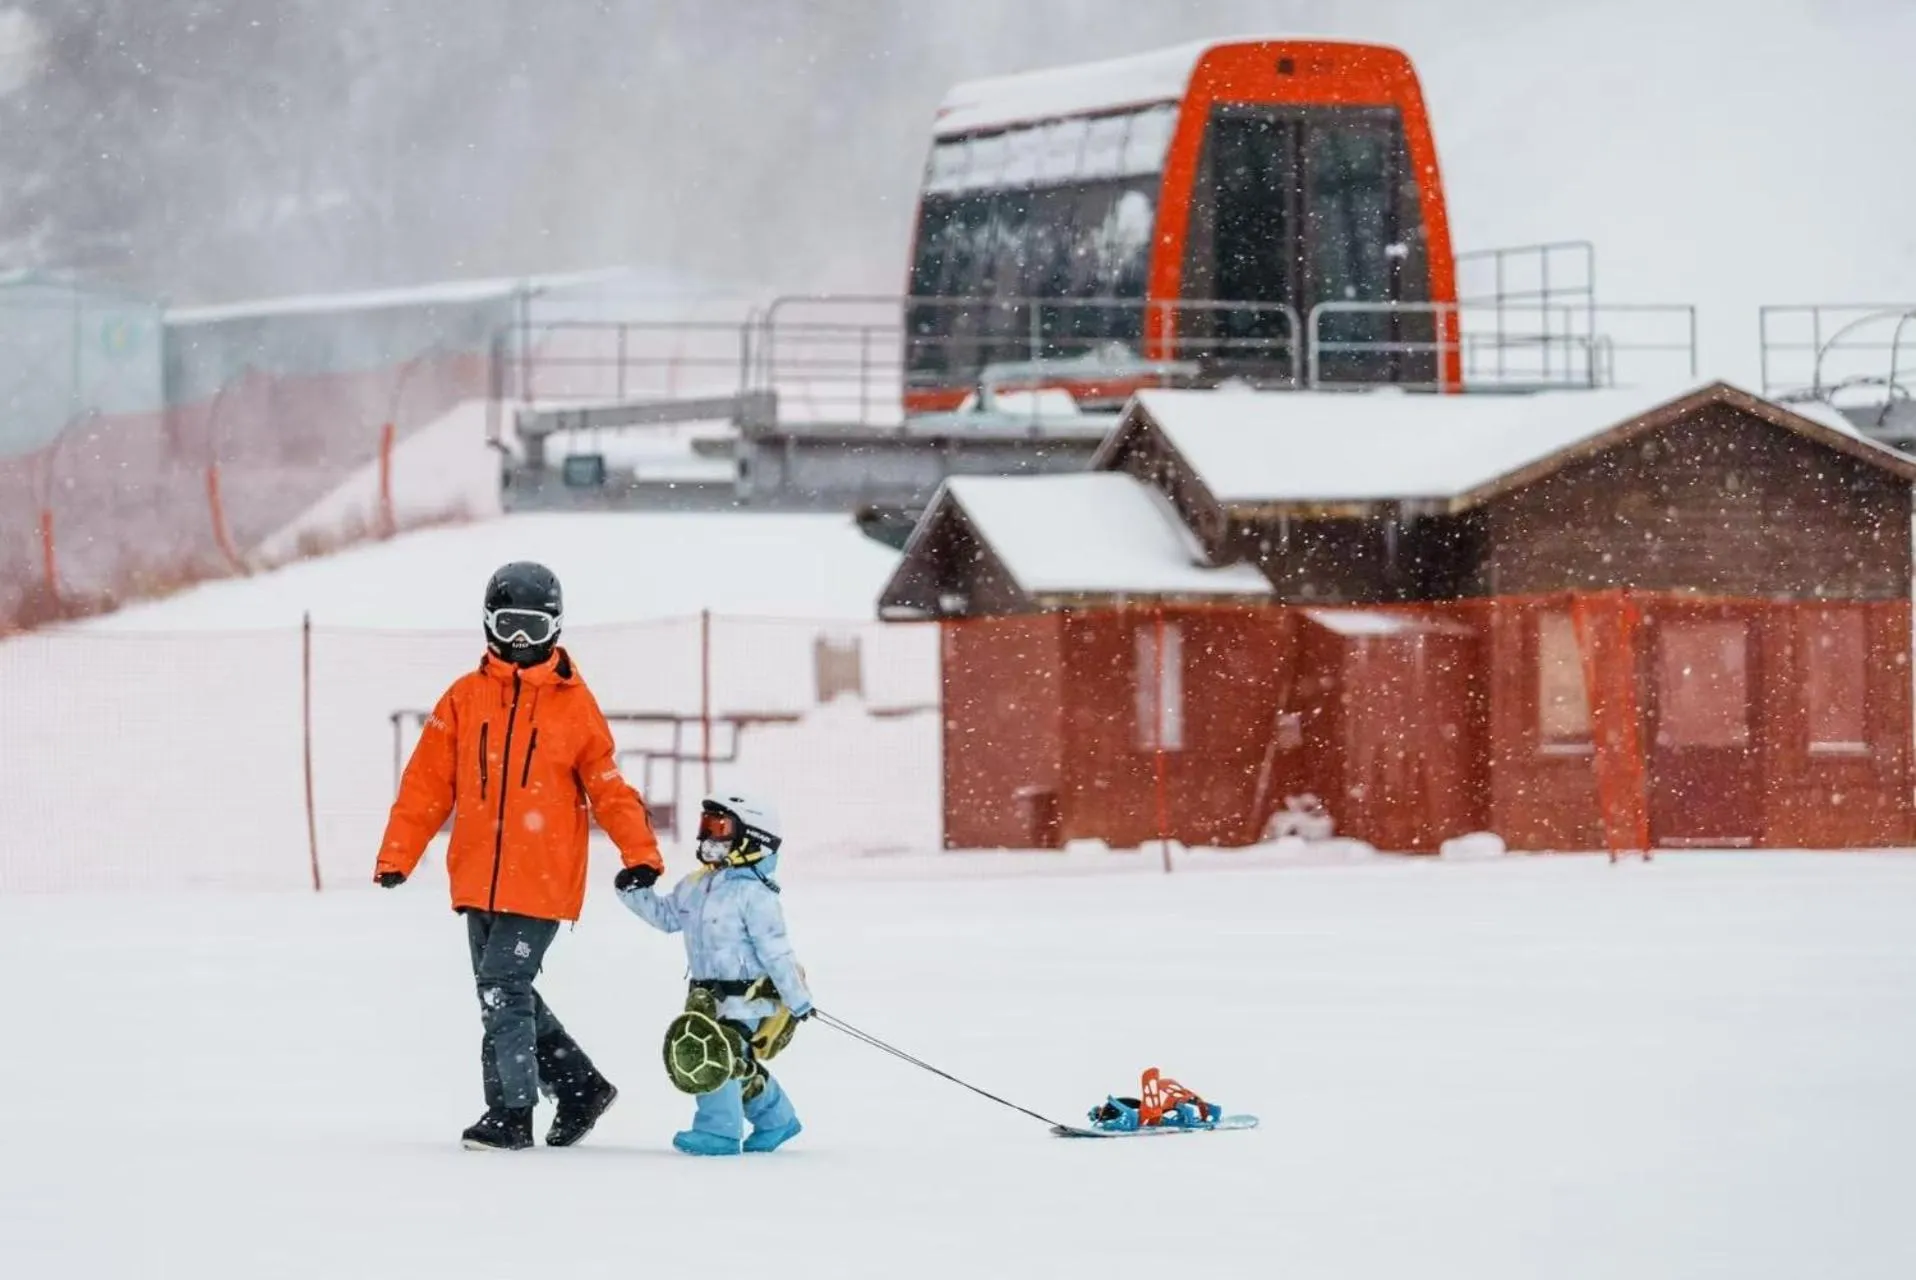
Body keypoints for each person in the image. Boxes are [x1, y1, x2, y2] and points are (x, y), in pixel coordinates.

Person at [374, 561, 664, 1151]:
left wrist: (640, 853)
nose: (521, 641)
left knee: (502, 985)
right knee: (508, 991)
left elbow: (608, 785)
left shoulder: (574, 706)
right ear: (488, 624)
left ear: (556, 627)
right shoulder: (463, 698)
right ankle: (579, 1086)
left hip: (543, 878)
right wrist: (399, 854)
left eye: (533, 626)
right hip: (477, 874)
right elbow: (427, 783)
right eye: (510, 625)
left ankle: (510, 1113)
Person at [618, 791, 812, 1156]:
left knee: (709, 1056)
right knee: (736, 1065)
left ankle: (718, 1133)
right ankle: (777, 1120)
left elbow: (777, 952)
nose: (707, 837)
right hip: (706, 998)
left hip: (746, 1002)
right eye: (705, 826)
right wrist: (632, 891)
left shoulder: (756, 897)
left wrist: (798, 999)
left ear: (752, 839)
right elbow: (666, 917)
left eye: (719, 828)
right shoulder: (696, 886)